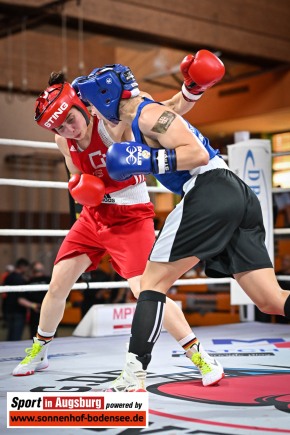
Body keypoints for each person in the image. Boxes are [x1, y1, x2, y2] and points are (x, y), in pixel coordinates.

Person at [12, 50, 225, 386]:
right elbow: (75, 176)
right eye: (60, 126)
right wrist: (80, 189)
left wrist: (191, 91)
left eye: (70, 119)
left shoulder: (112, 121)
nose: (69, 129)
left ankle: (198, 355)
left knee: (147, 290)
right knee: (57, 283)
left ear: (81, 106)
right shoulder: (62, 141)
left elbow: (164, 112)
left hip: (130, 217)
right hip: (93, 217)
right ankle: (40, 348)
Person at [77, 59, 290, 392]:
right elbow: (174, 112)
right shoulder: (142, 114)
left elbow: (196, 154)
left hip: (210, 188)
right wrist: (190, 91)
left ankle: (133, 376)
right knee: (270, 300)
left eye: (91, 106)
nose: (93, 113)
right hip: (235, 196)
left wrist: (147, 161)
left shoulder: (146, 114)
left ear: (105, 98)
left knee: (151, 285)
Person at [3, 258, 32, 341]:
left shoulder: (8, 276)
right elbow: (20, 298)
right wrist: (33, 305)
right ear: (22, 267)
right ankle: (12, 354)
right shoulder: (20, 279)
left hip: (8, 310)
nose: (26, 270)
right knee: (16, 336)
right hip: (18, 311)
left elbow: (4, 294)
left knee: (11, 334)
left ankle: (9, 352)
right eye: (26, 268)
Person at [26, 262, 50, 337]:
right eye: (37, 268)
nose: (39, 269)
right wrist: (33, 305)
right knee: (35, 334)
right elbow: (22, 298)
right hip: (35, 312)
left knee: (49, 332)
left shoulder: (48, 279)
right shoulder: (28, 281)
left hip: (48, 310)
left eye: (40, 267)